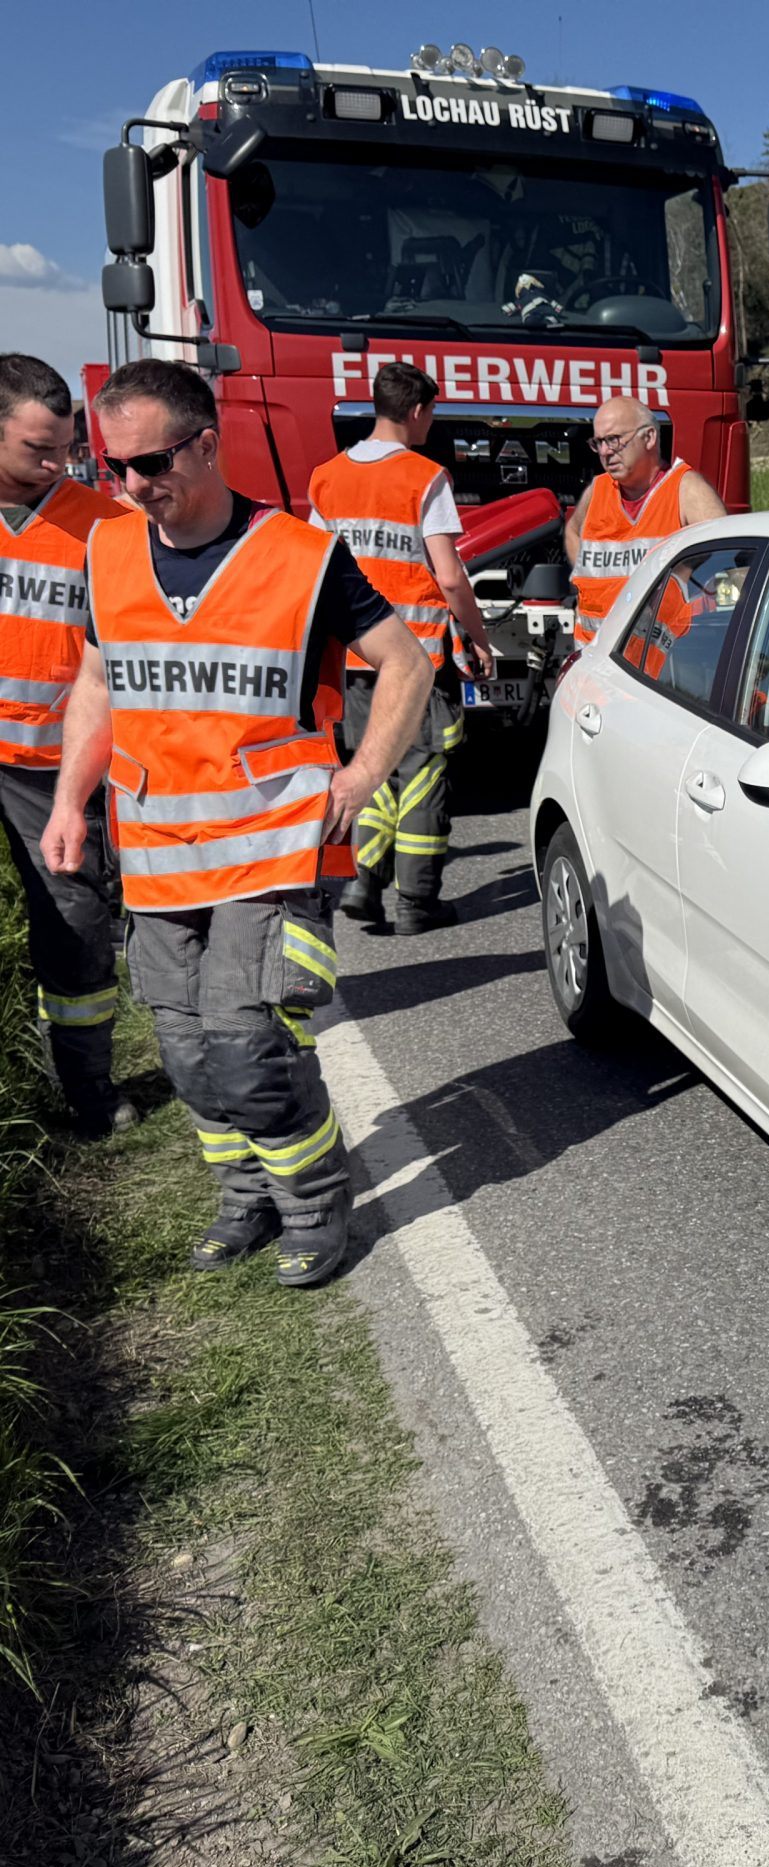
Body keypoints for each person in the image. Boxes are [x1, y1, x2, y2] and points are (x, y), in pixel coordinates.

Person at [43, 358, 430, 1287]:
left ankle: (314, 1204)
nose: (132, 486)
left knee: (247, 1044)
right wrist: (66, 802)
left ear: (207, 445)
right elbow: (97, 685)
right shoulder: (108, 551)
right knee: (184, 1051)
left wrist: (363, 774)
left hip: (272, 851)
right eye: (115, 466)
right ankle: (243, 1196)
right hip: (157, 855)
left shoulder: (302, 555)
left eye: (152, 464)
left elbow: (406, 664)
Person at [308, 361, 494, 933]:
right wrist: (479, 638)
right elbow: (451, 577)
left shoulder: (327, 477)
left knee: (370, 763)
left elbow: (314, 566)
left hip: (352, 656)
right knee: (421, 772)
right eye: (430, 413)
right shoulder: (424, 477)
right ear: (416, 411)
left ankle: (361, 884)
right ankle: (416, 901)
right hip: (414, 659)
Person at [0, 354, 133, 1136]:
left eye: (64, 448)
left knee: (76, 921)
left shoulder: (107, 526)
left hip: (52, 770)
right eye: (36, 450)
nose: (56, 463)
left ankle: (87, 1091)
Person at [565, 396, 726, 645]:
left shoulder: (686, 490)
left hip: (661, 660)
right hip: (591, 654)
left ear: (649, 437)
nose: (605, 452)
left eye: (614, 440)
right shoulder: (598, 490)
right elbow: (573, 531)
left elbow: (726, 559)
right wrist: (585, 586)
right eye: (598, 443)